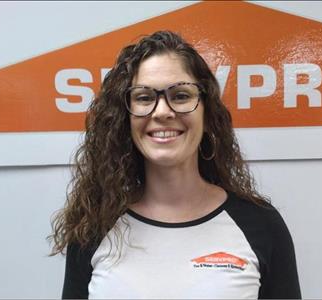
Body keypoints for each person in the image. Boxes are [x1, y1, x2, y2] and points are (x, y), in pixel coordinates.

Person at [49, 30, 301, 299]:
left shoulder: (260, 224)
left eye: (180, 95)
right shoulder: (95, 227)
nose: (163, 111)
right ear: (126, 117)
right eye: (144, 98)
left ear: (207, 112)